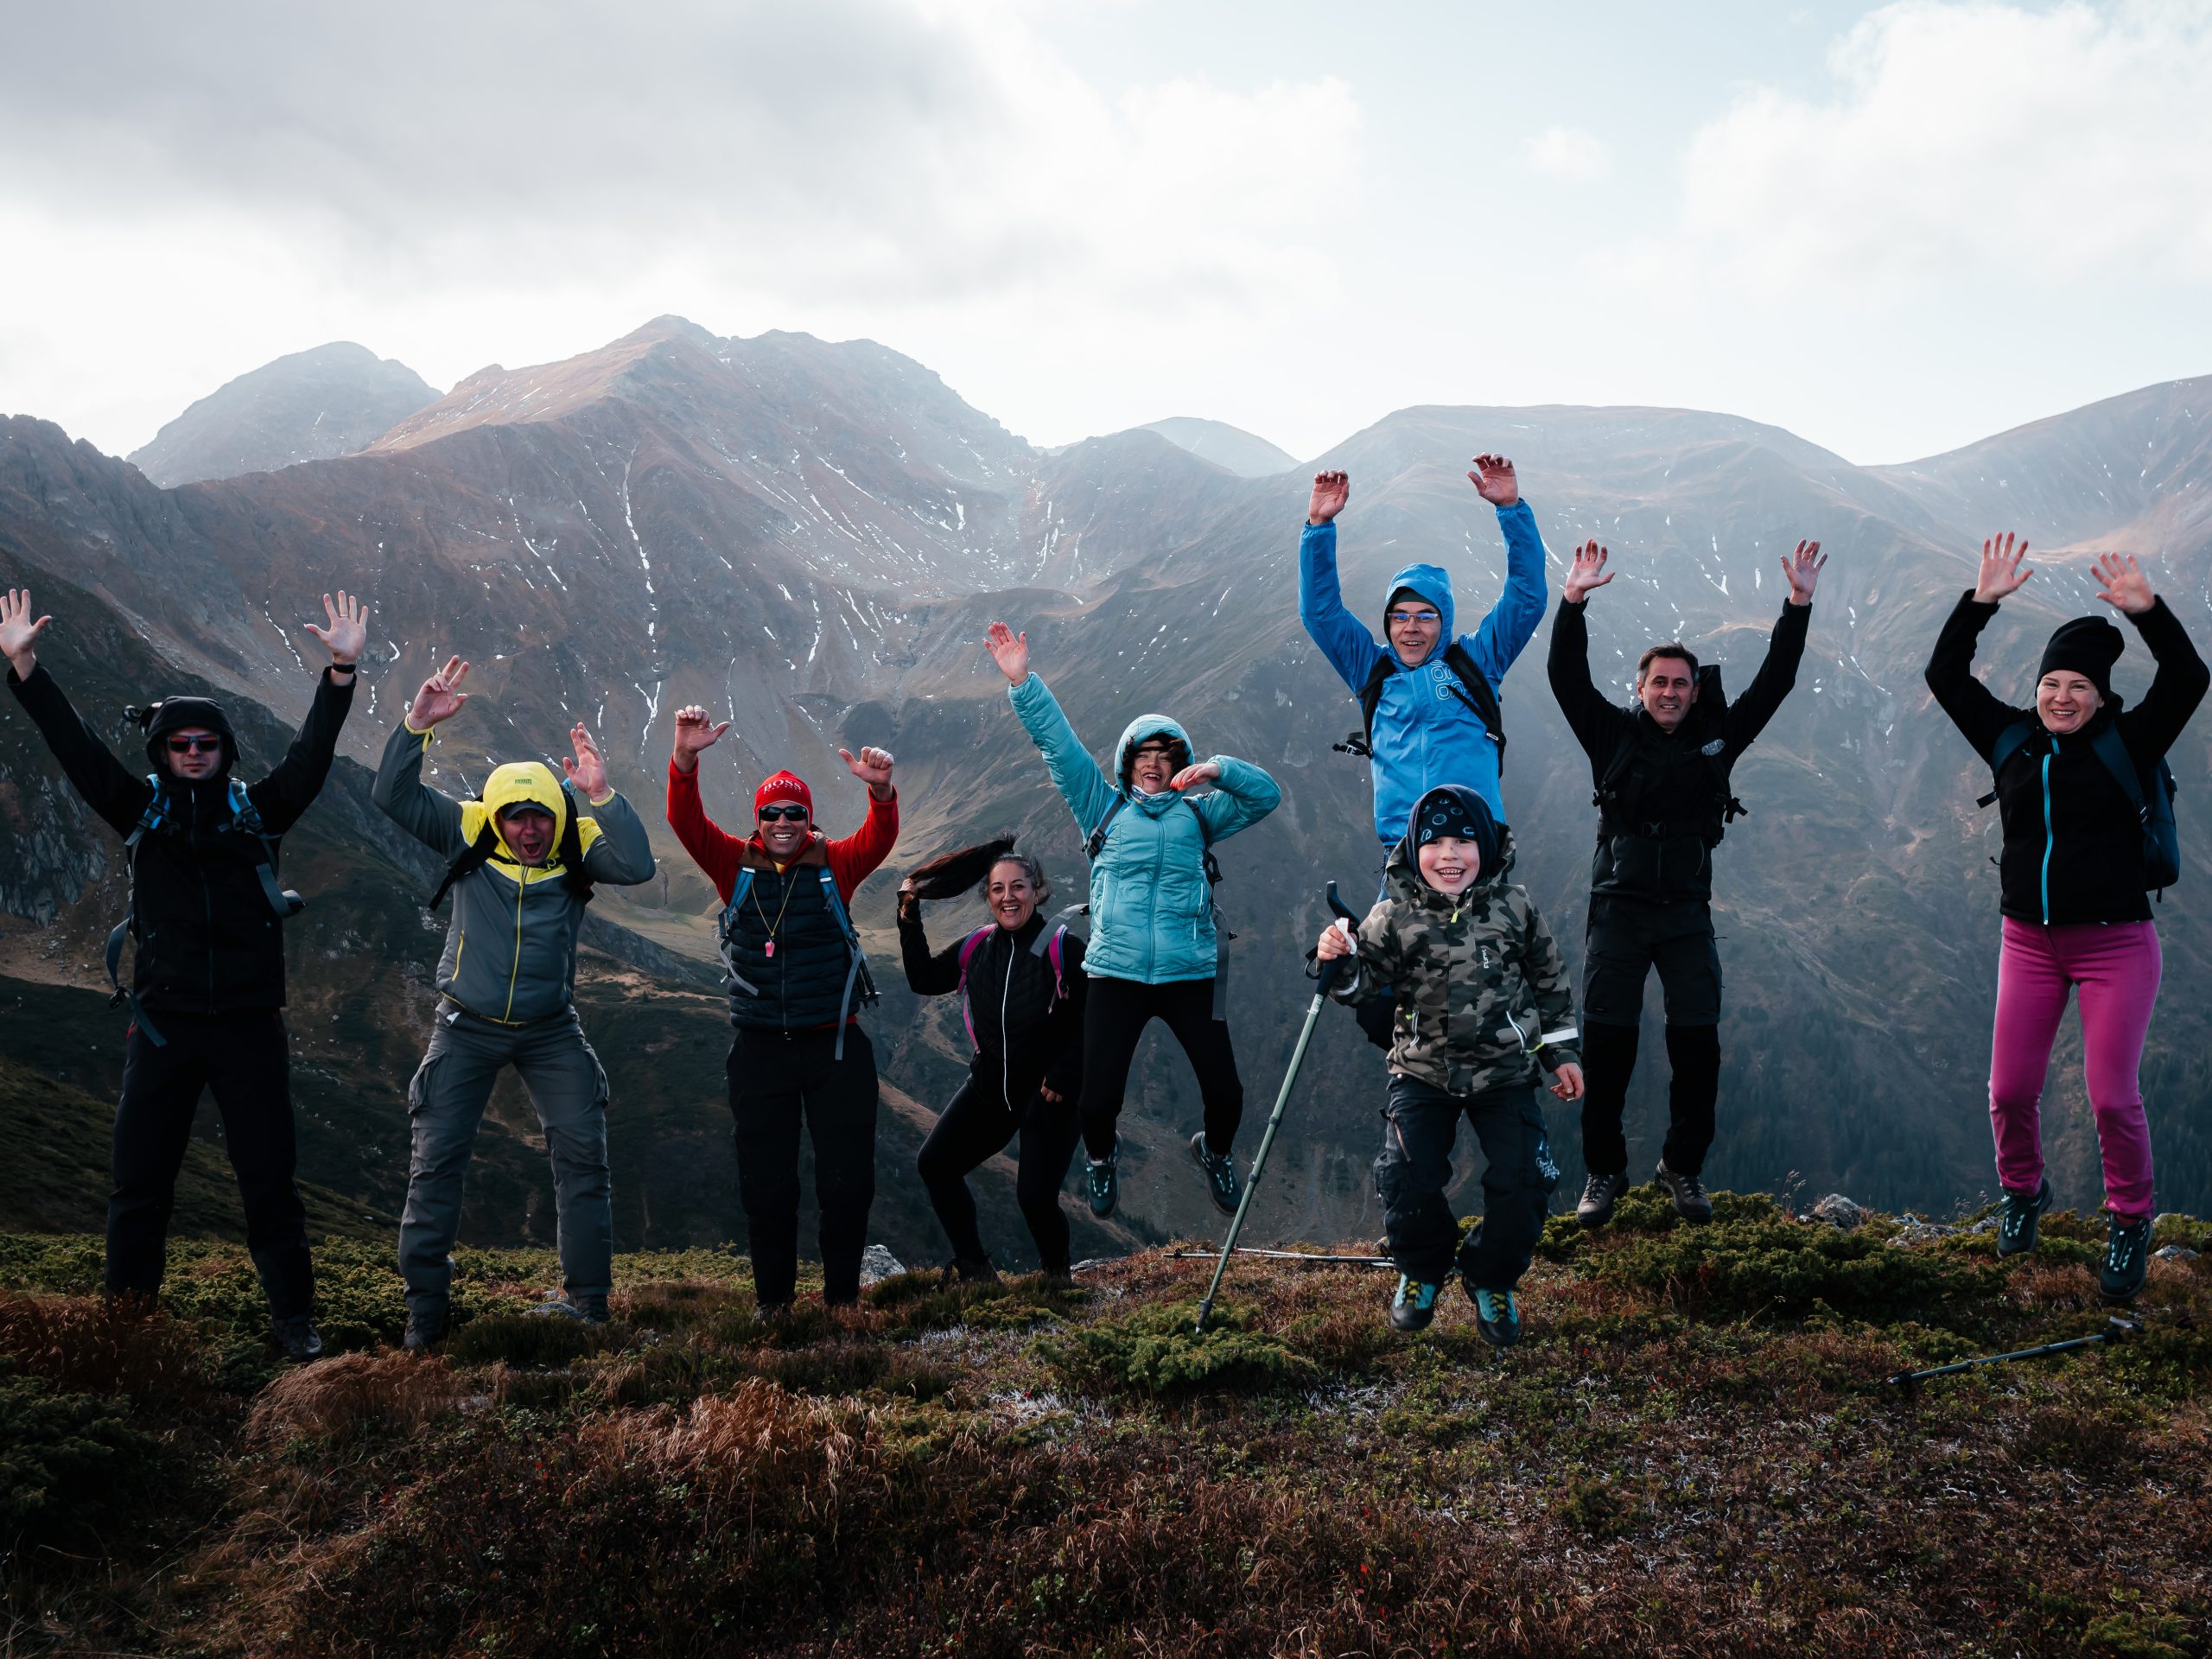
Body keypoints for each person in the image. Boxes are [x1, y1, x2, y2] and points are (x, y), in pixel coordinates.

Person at [1, 585, 366, 1362]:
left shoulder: (260, 814)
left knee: (269, 1184)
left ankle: (294, 1324)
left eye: (206, 742)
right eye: (180, 744)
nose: (194, 752)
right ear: (162, 754)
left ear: (225, 751)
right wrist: (25, 665)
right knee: (140, 1184)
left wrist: (339, 672)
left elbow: (310, 759)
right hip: (163, 1025)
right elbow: (77, 752)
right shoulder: (140, 813)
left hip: (248, 1029)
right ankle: (127, 1326)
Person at [1925, 535, 2207, 1301]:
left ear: (2101, 696)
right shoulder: (2012, 740)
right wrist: (1978, 603)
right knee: (2009, 1091)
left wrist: (2149, 613)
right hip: (2028, 942)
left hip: (2119, 945)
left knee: (2113, 1095)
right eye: (2052, 682)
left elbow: (2189, 677)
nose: (2062, 696)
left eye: (2078, 685)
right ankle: (2023, 1193)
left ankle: (2130, 1219)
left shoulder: (2132, 740)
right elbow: (1944, 676)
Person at [373, 657, 656, 1348]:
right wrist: (417, 727)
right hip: (464, 1028)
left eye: (539, 817)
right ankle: (425, 1318)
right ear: (496, 816)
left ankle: (588, 1306)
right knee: (436, 1164)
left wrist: (601, 794)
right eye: (516, 818)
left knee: (584, 1161)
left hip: (550, 1030)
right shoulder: (468, 828)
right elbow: (392, 797)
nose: (528, 830)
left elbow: (639, 865)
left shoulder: (574, 839)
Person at [1547, 536, 1825, 1228]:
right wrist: (1572, 602)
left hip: (1686, 914)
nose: (1669, 693)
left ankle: (1682, 1166)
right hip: (1617, 911)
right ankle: (1604, 1172)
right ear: (1640, 690)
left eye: (1680, 683)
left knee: (1697, 1045)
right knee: (1609, 1049)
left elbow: (1777, 682)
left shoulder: (1720, 737)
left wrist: (1798, 605)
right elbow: (1564, 677)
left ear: (1694, 689)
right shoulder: (1610, 736)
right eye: (1658, 683)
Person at [985, 620, 1281, 1221]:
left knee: (1227, 1096)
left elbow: (1266, 797)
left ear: (1181, 763)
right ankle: (1101, 1160)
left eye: (1166, 755)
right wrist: (1023, 683)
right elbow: (1060, 749)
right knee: (1096, 1103)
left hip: (1188, 972)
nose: (1154, 764)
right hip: (1116, 973)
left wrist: (1220, 770)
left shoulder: (1201, 817)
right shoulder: (1102, 808)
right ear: (1126, 764)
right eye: (1143, 755)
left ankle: (1215, 1152)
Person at [1315, 785, 1582, 1344]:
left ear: (1486, 845)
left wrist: (1560, 1051)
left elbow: (1550, 982)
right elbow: (1361, 985)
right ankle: (1422, 1269)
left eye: (1464, 839)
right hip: (1421, 1070)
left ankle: (1491, 1277)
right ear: (1414, 849)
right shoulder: (1393, 915)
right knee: (1406, 1179)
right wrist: (1338, 957)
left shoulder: (1516, 908)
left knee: (1526, 1180)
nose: (1450, 853)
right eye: (1434, 841)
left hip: (1505, 1072)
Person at [1299, 455, 1548, 1047]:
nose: (1411, 628)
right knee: (1379, 1004)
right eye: (1400, 616)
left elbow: (1528, 598)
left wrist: (1512, 511)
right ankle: (1414, 1099)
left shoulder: (1476, 662)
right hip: (1406, 863)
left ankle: (1499, 1102)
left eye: (1425, 615)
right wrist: (1317, 527)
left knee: (1482, 994)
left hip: (1476, 859)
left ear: (1445, 619)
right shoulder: (1372, 670)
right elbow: (1320, 613)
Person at [664, 703, 899, 1315]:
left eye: (796, 813)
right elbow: (685, 822)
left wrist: (882, 794)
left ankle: (842, 1303)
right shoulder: (733, 867)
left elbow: (879, 840)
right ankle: (774, 1308)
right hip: (760, 1051)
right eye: (772, 814)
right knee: (766, 1188)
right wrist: (685, 759)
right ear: (758, 820)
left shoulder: (834, 867)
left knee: (846, 1185)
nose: (784, 823)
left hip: (836, 1049)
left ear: (810, 820)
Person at [899, 837, 1087, 1281]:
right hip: (990, 1090)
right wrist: (909, 918)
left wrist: (1063, 1074)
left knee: (1035, 1198)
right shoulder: (977, 946)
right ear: (987, 896)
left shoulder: (1065, 948)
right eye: (998, 889)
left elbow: (1094, 1020)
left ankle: (1058, 1276)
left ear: (1037, 891)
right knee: (935, 1165)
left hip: (1049, 1096)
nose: (1008, 897)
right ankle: (975, 1267)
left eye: (1018, 887)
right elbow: (924, 979)